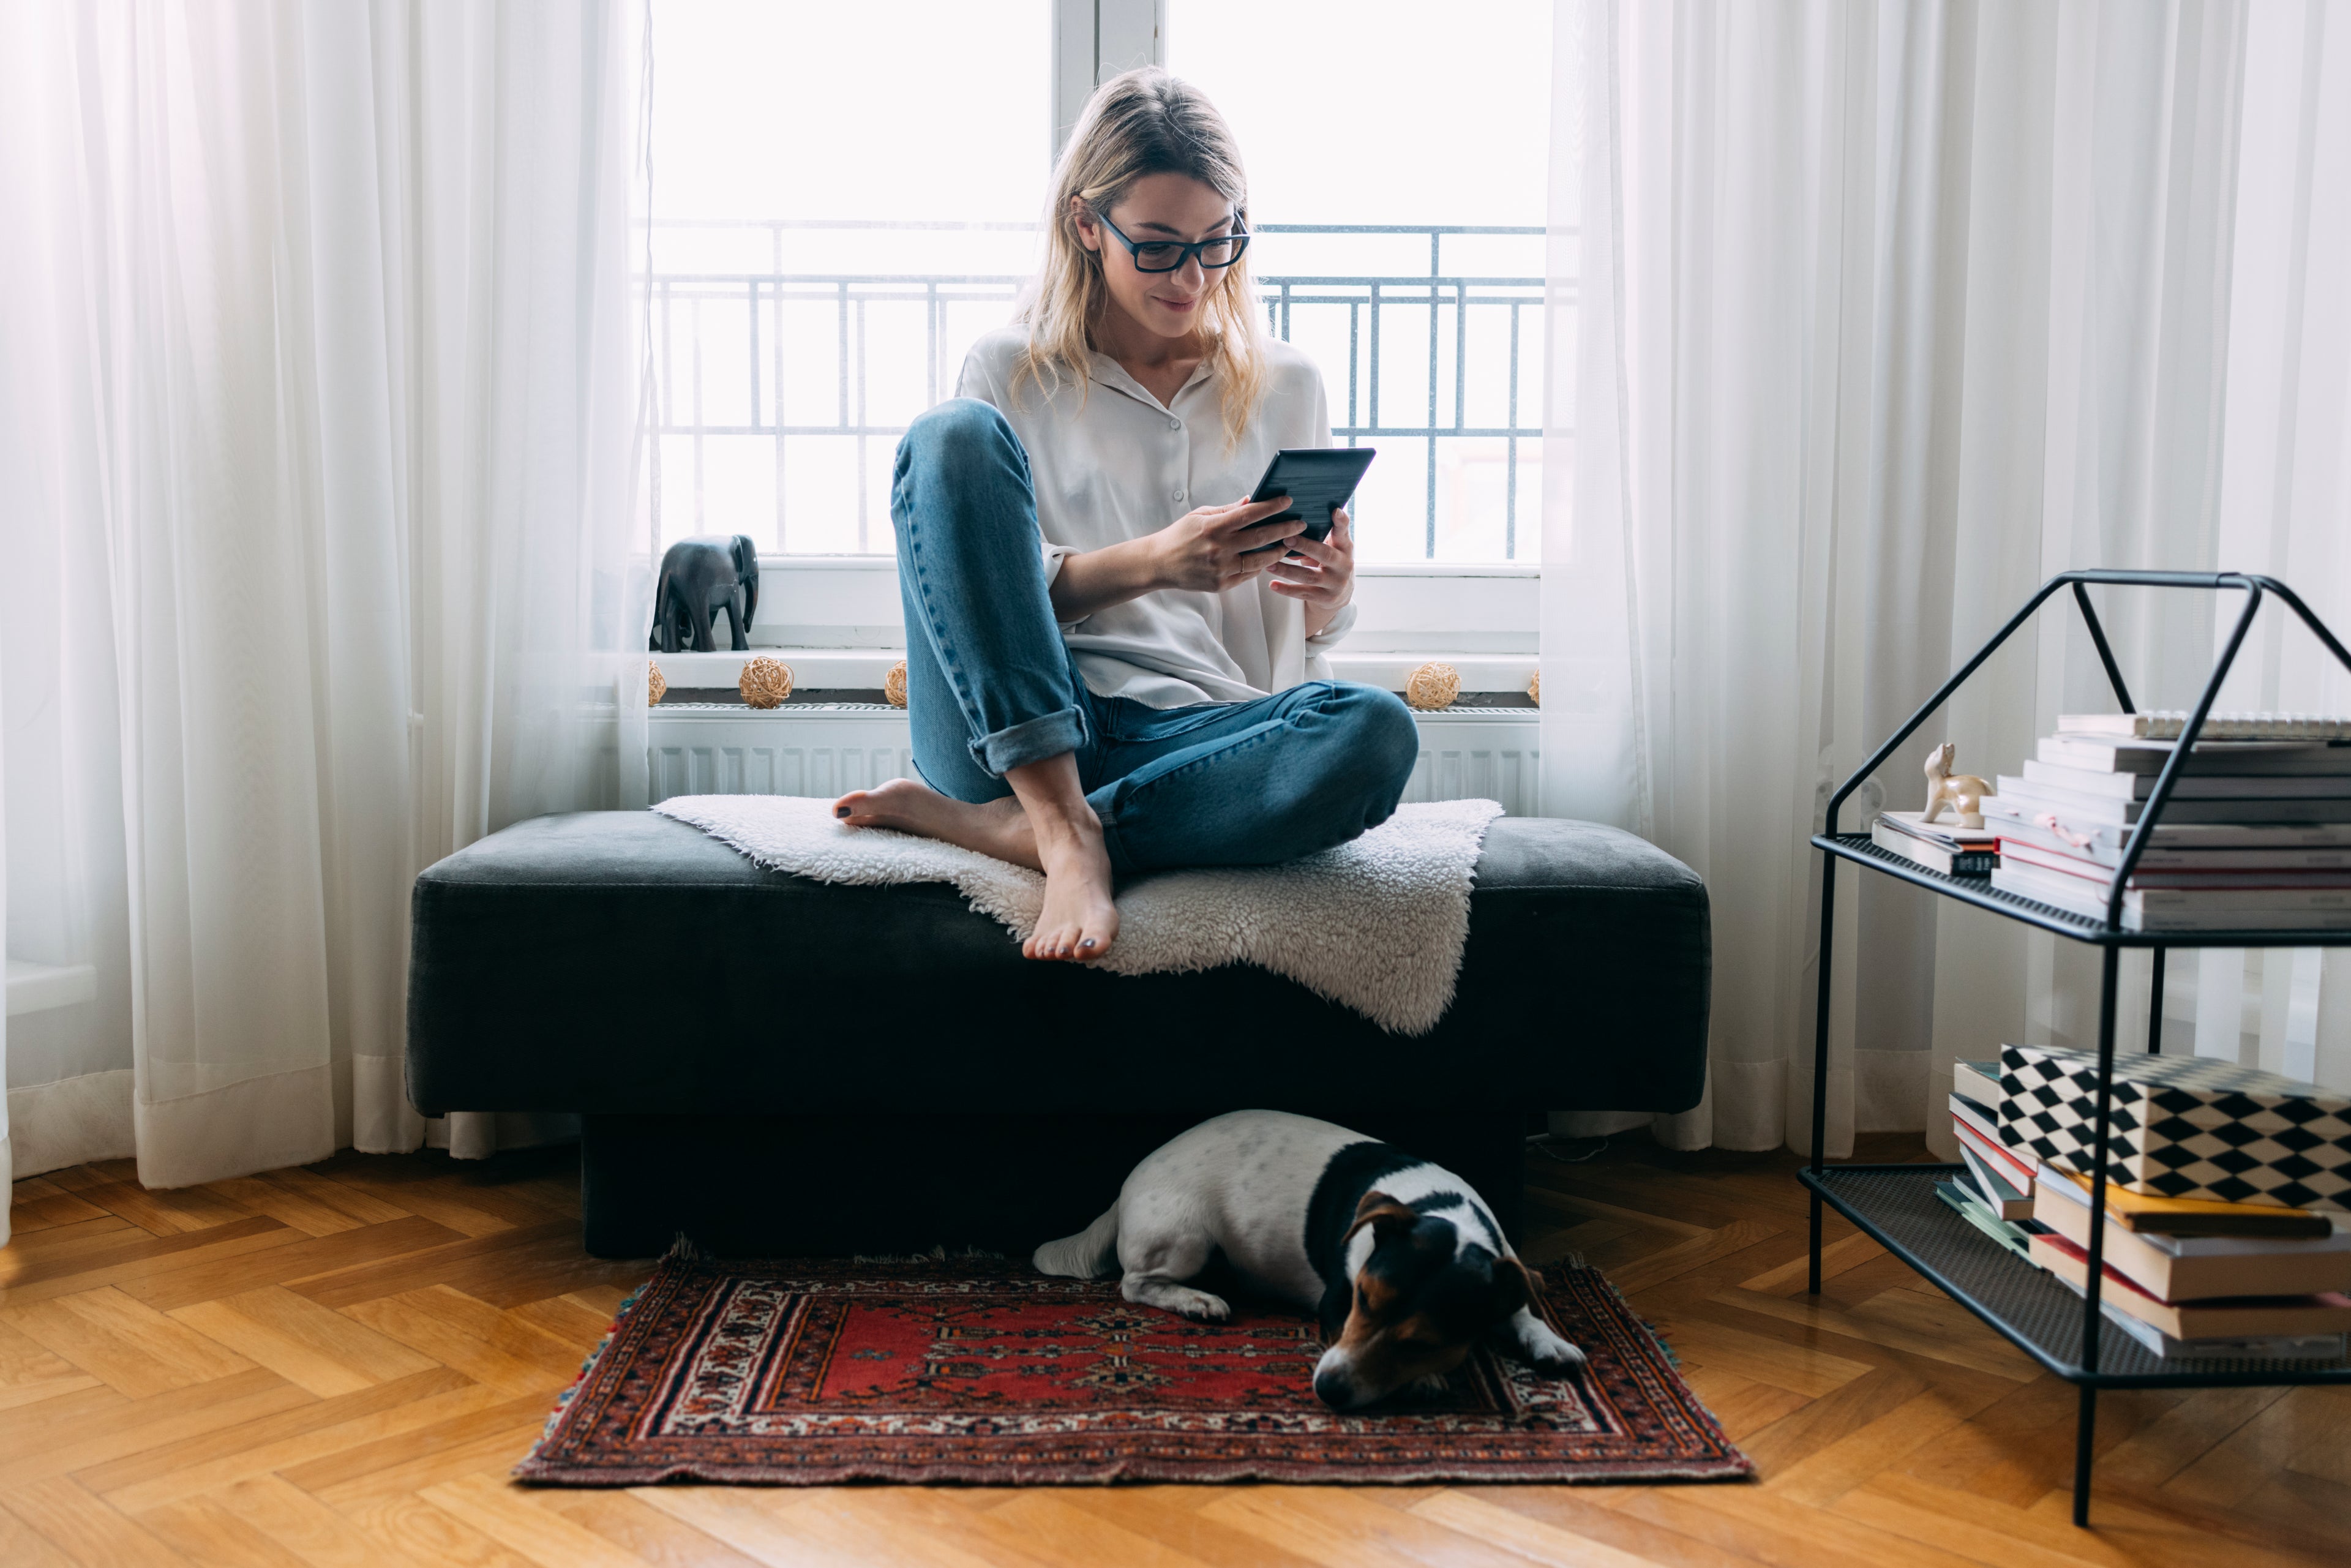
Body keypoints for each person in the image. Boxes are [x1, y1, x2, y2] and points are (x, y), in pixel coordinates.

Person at [831, 67, 1418, 962]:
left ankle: (1013, 831)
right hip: (1019, 721)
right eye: (1157, 244)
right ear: (1085, 226)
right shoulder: (1010, 370)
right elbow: (979, 601)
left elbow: (1308, 638)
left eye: (1219, 242)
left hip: (1199, 736)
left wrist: (1328, 593)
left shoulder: (1286, 384)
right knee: (949, 438)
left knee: (1376, 731)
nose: (1193, 276)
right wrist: (1154, 562)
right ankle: (1060, 824)